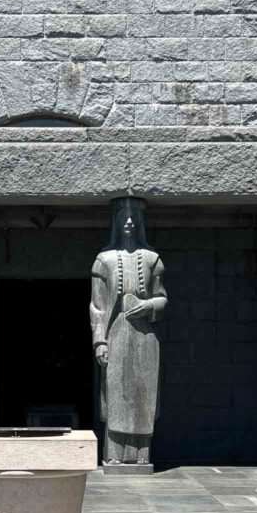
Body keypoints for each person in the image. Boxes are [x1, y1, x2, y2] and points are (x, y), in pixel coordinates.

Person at [90, 197, 167, 465]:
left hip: (145, 335)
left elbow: (162, 298)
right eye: (124, 216)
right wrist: (99, 341)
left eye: (135, 217)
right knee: (116, 394)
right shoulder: (104, 260)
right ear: (116, 221)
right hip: (116, 332)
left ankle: (142, 455)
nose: (130, 222)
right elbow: (97, 306)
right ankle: (115, 455)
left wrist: (148, 306)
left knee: (142, 393)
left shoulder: (152, 259)